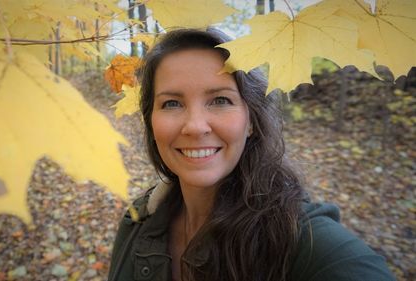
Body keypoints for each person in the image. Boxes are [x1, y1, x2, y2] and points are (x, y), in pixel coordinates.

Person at [108, 28, 395, 281]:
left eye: (221, 100)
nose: (195, 126)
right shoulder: (138, 222)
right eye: (171, 103)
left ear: (251, 122)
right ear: (151, 121)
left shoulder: (303, 240)